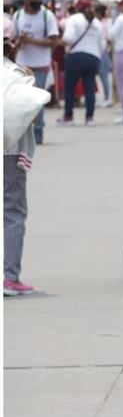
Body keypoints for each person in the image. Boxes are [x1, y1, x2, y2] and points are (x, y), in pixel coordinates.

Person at [4, 35, 41, 297]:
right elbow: (29, 115)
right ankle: (10, 277)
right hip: (10, 151)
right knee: (13, 212)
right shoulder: (18, 75)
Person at [11, 0, 60, 144]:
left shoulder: (47, 15)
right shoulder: (18, 16)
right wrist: (19, 42)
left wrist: (31, 41)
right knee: (22, 101)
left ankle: (38, 132)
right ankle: (22, 134)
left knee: (37, 101)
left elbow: (54, 41)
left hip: (40, 65)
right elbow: (13, 41)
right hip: (21, 65)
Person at [58, 0, 106, 126]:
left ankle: (69, 116)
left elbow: (68, 38)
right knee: (90, 87)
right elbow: (102, 45)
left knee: (70, 87)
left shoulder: (73, 19)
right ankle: (89, 118)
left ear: (77, 8)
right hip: (93, 57)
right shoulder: (97, 23)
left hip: (75, 56)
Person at [95, 3, 114, 108]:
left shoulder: (103, 23)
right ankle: (106, 98)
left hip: (102, 50)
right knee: (103, 76)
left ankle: (107, 98)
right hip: (103, 50)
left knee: (103, 76)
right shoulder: (106, 22)